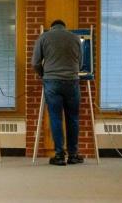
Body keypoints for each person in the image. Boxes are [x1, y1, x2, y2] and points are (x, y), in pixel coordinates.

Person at [32, 19, 84, 166]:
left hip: (52, 82)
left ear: (51, 27)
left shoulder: (44, 37)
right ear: (64, 27)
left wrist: (44, 74)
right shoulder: (75, 38)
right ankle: (73, 155)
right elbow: (80, 63)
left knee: (55, 118)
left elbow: (35, 62)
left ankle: (59, 155)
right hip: (72, 82)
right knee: (73, 118)